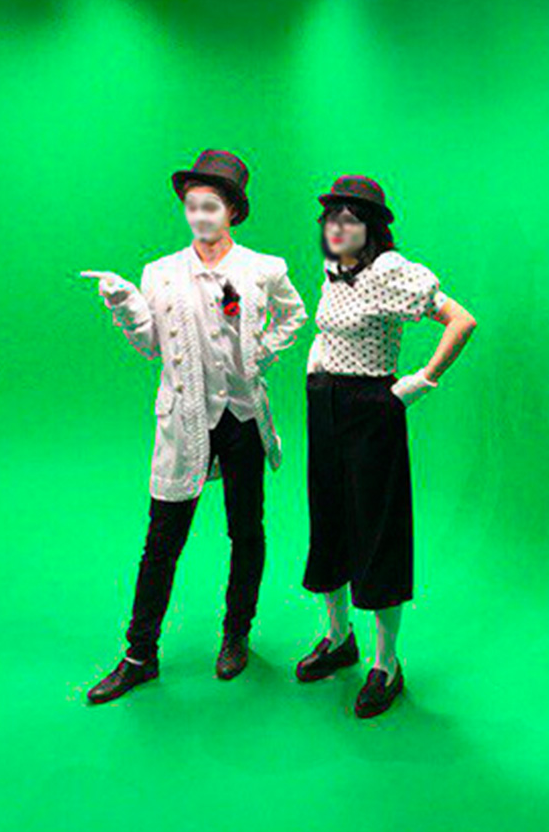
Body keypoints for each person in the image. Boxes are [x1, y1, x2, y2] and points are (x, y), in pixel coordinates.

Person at [80, 150, 307, 704]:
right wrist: (125, 304)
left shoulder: (263, 268)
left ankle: (236, 634)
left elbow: (295, 314)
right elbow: (150, 345)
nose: (200, 216)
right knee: (162, 539)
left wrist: (262, 353)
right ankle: (139, 654)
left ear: (232, 212)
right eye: (192, 206)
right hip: (185, 418)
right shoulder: (160, 273)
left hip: (242, 416)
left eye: (211, 206)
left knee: (246, 530)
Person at [296, 175, 477, 718]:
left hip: (371, 409)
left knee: (377, 529)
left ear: (370, 227)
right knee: (328, 520)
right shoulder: (335, 268)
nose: (336, 227)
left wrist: (419, 382)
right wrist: (316, 365)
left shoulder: (390, 272)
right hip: (324, 404)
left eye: (349, 219)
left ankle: (386, 663)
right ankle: (338, 638)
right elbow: (329, 328)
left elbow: (461, 320)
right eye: (330, 218)